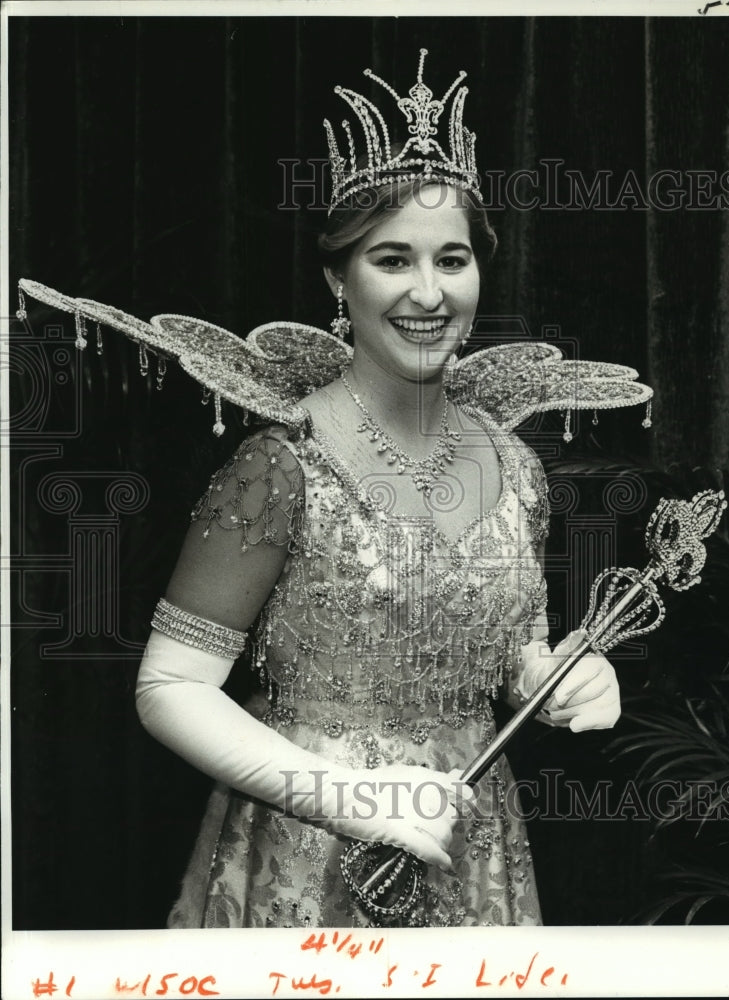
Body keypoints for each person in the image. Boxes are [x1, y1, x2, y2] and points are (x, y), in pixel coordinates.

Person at [134, 49, 622, 929]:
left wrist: (557, 678)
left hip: (470, 839)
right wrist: (346, 798)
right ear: (337, 278)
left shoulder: (519, 468)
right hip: (305, 846)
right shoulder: (281, 464)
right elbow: (169, 685)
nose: (428, 293)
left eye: (454, 259)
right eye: (392, 259)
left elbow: (502, 653)